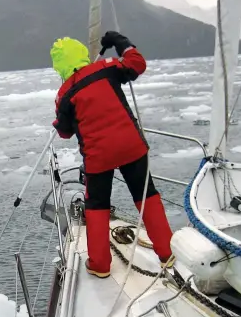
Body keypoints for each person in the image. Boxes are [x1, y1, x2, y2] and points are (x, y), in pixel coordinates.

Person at [50, 31, 173, 278]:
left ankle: (100, 265)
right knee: (146, 196)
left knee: (97, 207)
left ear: (59, 67)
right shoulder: (107, 68)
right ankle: (166, 254)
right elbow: (137, 64)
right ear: (83, 54)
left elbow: (64, 132)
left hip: (98, 158)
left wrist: (64, 118)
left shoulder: (65, 95)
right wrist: (120, 42)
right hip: (131, 147)